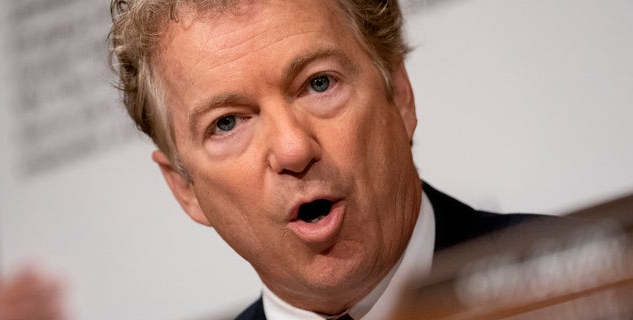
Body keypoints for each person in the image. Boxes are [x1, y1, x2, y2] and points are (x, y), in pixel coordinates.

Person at [109, 0, 540, 319]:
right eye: (226, 123)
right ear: (185, 188)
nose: (294, 149)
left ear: (400, 94)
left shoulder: (583, 288)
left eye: (319, 83)